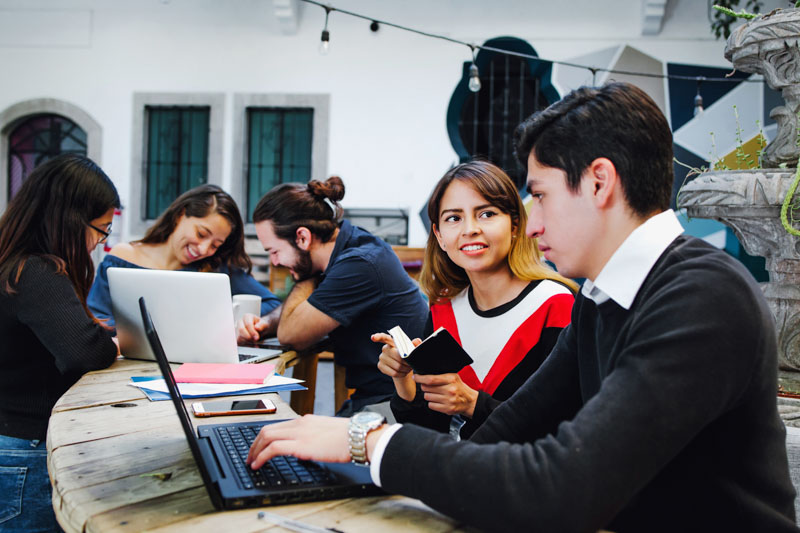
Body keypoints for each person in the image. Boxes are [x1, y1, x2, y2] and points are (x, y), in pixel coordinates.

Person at [246, 82, 798, 532]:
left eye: (541, 195)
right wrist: (363, 456)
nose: (531, 223)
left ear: (599, 182)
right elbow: (506, 430)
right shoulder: (601, 297)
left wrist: (367, 441)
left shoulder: (701, 294)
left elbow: (562, 487)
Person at [372, 160, 576, 439]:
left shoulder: (556, 306)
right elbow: (429, 431)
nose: (470, 229)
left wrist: (473, 404)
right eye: (454, 218)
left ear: (515, 225)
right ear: (440, 236)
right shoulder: (444, 309)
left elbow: (564, 429)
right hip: (450, 473)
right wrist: (404, 381)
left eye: (487, 214)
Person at [0, 154, 121, 532]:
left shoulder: (13, 263)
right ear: (70, 220)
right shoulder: (36, 272)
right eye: (101, 230)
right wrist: (111, 342)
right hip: (23, 449)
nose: (101, 243)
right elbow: (86, 352)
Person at [238, 176, 429, 415]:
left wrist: (302, 274)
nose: (274, 262)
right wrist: (265, 323)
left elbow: (291, 334)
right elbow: (303, 310)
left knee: (289, 442)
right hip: (383, 397)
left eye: (274, 251)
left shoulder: (358, 264)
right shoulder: (348, 247)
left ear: (303, 238)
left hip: (405, 407)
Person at [88, 184, 280, 331]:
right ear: (181, 214)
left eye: (216, 245)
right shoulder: (123, 258)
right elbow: (98, 317)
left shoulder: (215, 267)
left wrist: (224, 317)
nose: (204, 249)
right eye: (201, 234)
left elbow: (272, 305)